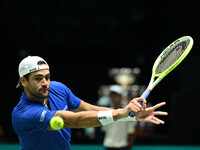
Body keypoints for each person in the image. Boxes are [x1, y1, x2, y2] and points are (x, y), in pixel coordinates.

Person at [12, 56, 168, 150]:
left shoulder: (58, 89)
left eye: (47, 77)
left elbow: (90, 109)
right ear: (23, 81)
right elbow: (74, 119)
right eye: (38, 78)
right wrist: (121, 112)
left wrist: (132, 116)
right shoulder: (23, 114)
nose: (45, 83)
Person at [102, 85, 136, 150]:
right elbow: (104, 130)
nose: (114, 98)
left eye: (116, 95)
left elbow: (131, 132)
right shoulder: (106, 112)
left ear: (121, 97)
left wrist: (129, 147)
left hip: (122, 146)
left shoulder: (127, 113)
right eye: (112, 95)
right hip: (108, 146)